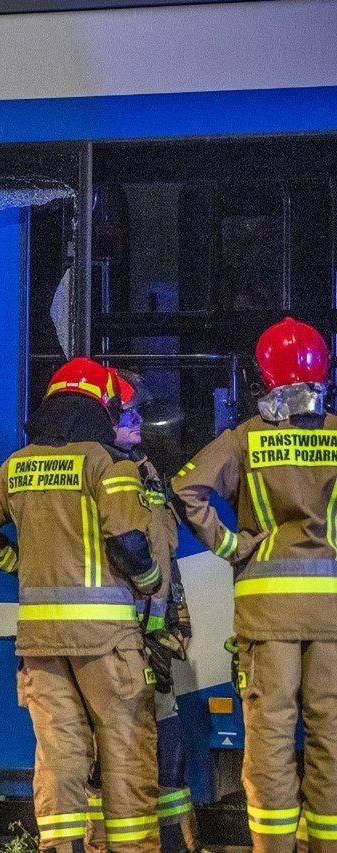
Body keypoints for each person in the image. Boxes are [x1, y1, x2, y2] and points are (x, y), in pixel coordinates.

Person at [0, 357, 161, 853]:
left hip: (40, 642)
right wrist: (150, 582)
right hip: (105, 639)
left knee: (60, 752)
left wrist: (18, 564)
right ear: (98, 406)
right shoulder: (105, 462)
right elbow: (129, 540)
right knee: (125, 746)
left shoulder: (18, 464)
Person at [171, 317, 337, 852]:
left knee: (268, 737)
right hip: (333, 616)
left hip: (267, 617)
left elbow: (186, 490)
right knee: (330, 736)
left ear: (265, 378)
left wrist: (230, 546)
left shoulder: (245, 439)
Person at [87, 371, 198, 853]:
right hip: (113, 644)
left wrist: (177, 612)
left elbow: (162, 548)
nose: (138, 419)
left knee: (168, 752)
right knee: (107, 762)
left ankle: (175, 845)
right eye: (127, 412)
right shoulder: (97, 474)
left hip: (153, 643)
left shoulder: (146, 472)